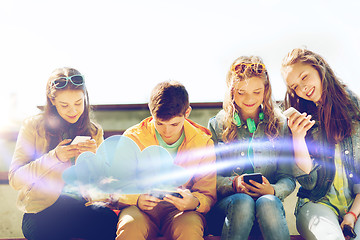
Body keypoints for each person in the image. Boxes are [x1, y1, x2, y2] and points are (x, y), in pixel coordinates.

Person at [9, 67, 118, 240]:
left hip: (81, 208)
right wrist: (55, 157)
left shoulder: (94, 131)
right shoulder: (33, 126)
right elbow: (15, 179)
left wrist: (95, 160)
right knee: (52, 229)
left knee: (110, 222)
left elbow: (103, 184)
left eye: (78, 103)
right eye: (64, 105)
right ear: (52, 102)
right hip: (42, 213)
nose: (73, 111)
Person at [206, 56, 296, 240]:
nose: (249, 99)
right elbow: (207, 178)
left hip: (267, 209)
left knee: (269, 202)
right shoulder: (217, 125)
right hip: (229, 210)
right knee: (243, 201)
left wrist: (273, 190)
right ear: (231, 91)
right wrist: (233, 183)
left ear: (266, 90)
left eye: (256, 91)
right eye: (241, 92)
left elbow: (287, 177)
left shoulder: (280, 125)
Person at [116, 81, 217, 240]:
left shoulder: (203, 142)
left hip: (182, 211)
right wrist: (137, 198)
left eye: (174, 124)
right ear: (151, 113)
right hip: (140, 209)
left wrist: (194, 202)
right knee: (130, 225)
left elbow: (207, 193)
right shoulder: (132, 138)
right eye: (160, 123)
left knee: (190, 229)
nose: (167, 131)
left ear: (187, 112)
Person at [281, 48, 360, 240]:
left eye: (304, 77)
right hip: (316, 203)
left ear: (319, 68)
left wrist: (351, 215)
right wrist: (298, 138)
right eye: (295, 87)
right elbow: (309, 180)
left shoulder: (355, 109)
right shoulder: (298, 120)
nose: (302, 88)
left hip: (356, 205)